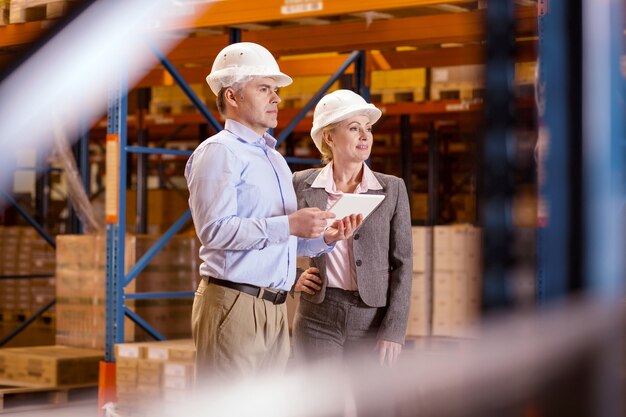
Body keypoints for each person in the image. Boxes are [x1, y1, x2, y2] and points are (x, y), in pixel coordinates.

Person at [185, 43, 361, 380]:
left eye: (275, 90)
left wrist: (323, 238)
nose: (276, 98)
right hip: (234, 303)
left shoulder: (274, 159)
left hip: (276, 309)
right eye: (264, 88)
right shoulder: (219, 153)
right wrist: (289, 224)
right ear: (232, 96)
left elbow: (281, 239)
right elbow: (215, 231)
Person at [292, 89, 413, 367]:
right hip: (317, 317)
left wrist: (394, 331)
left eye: (368, 129)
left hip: (371, 319)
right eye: (354, 128)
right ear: (329, 137)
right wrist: (292, 277)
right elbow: (276, 239)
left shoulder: (392, 188)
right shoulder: (301, 183)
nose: (365, 136)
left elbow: (403, 263)